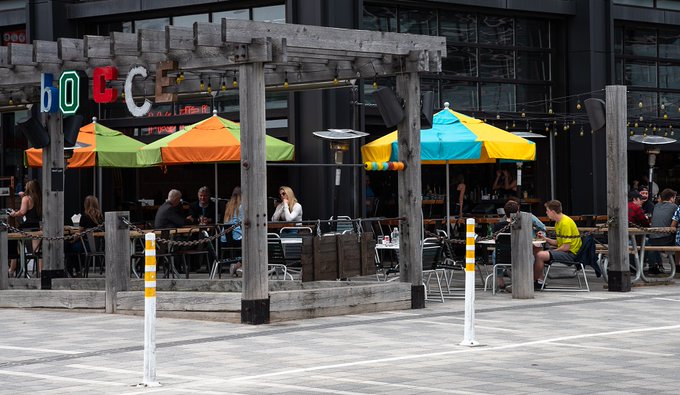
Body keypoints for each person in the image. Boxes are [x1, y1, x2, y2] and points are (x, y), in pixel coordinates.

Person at [534, 200, 581, 291]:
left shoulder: (565, 223)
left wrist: (550, 252)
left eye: (547, 210)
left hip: (571, 254)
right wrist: (545, 239)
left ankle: (536, 281)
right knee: (538, 252)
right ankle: (539, 280)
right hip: (567, 251)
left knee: (540, 255)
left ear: (553, 212)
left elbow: (566, 247)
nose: (546, 213)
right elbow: (559, 243)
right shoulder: (558, 222)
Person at [7, 180, 42, 276]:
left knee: (15, 246)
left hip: (26, 228)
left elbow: (22, 212)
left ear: (28, 188)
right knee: (38, 251)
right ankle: (40, 272)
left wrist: (14, 213)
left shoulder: (26, 198)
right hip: (37, 227)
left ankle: (12, 269)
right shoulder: (40, 198)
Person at [647, 188, 677, 274]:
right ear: (671, 198)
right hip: (666, 239)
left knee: (651, 242)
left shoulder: (656, 206)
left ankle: (654, 265)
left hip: (652, 239)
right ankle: (677, 265)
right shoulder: (674, 207)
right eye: (674, 198)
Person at [222, 186, 243, 276]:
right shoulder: (242, 206)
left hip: (225, 239)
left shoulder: (228, 205)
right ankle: (238, 266)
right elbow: (244, 222)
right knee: (253, 245)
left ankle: (239, 266)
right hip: (237, 239)